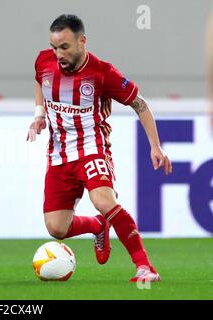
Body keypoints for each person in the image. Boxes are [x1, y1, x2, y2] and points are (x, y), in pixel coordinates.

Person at [27, 14, 172, 282]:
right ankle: (97, 226)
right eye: (54, 47)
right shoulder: (44, 61)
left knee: (104, 201)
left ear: (82, 41)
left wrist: (155, 146)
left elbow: (139, 104)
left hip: (92, 148)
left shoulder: (102, 72)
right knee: (56, 228)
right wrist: (38, 114)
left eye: (65, 47)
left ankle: (144, 267)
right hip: (58, 155)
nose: (58, 54)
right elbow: (39, 79)